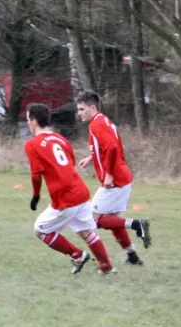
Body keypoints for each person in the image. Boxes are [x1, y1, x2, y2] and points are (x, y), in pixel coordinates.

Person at [24, 103, 115, 274]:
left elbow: (36, 174)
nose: (27, 123)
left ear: (34, 122)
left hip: (65, 197)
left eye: (28, 119)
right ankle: (107, 267)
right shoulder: (61, 139)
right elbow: (70, 162)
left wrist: (36, 195)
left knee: (40, 230)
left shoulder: (32, 144)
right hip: (80, 191)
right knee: (86, 232)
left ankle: (77, 255)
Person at [76, 91, 151, 265]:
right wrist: (91, 157)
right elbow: (107, 147)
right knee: (113, 222)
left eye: (81, 109)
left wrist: (108, 175)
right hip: (122, 178)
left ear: (92, 108)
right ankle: (132, 256)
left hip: (115, 181)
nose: (78, 112)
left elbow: (112, 149)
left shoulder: (96, 124)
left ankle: (136, 224)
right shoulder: (103, 121)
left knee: (92, 219)